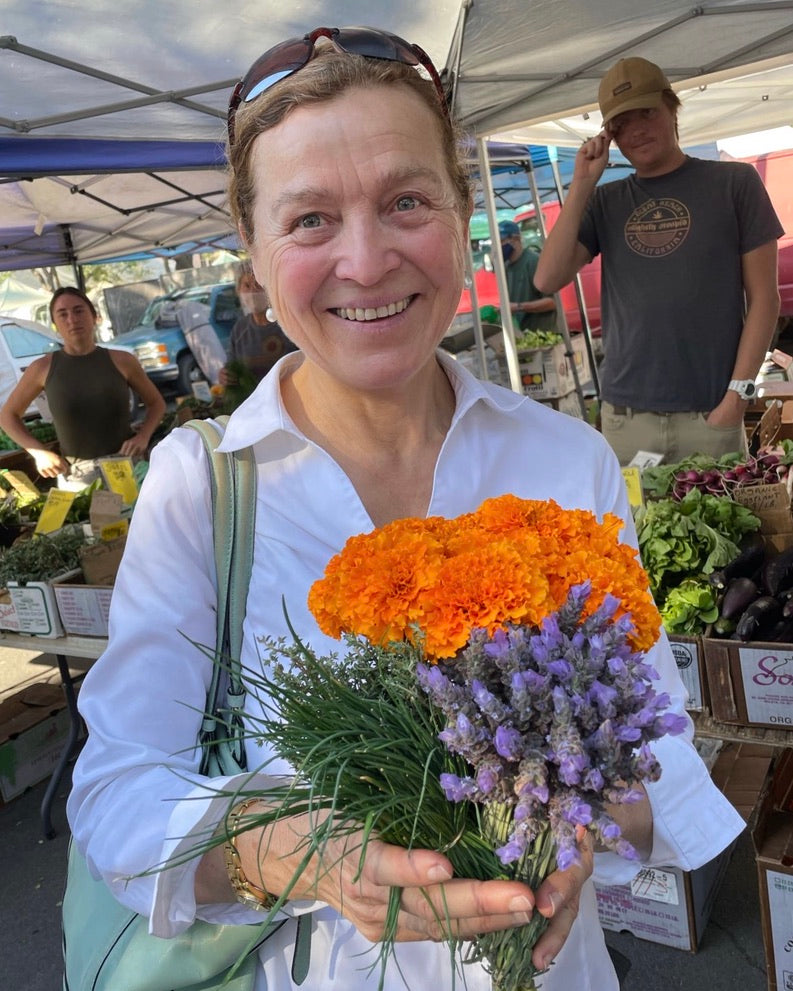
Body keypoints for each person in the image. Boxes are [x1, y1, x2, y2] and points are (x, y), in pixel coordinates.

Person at [67, 27, 744, 991]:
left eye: (406, 201)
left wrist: (577, 811)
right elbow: (116, 794)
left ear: (463, 212)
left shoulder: (564, 461)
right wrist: (293, 853)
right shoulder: (201, 486)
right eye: (308, 220)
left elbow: (654, 740)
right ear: (251, 257)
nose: (367, 258)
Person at [534, 56, 783, 465]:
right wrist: (581, 184)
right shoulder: (605, 200)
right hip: (627, 420)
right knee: (630, 530)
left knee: (720, 530)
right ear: (609, 135)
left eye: (646, 112)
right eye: (620, 123)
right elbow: (547, 278)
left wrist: (738, 397)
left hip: (711, 415)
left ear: (672, 107)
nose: (636, 130)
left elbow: (765, 300)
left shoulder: (734, 184)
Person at [0, 287, 165, 487]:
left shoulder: (123, 360)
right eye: (63, 314)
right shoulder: (41, 368)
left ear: (94, 316)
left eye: (79, 311)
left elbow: (156, 403)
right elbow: (7, 416)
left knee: (141, 519)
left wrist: (143, 436)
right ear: (54, 324)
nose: (72, 319)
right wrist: (38, 452)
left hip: (128, 467)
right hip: (78, 477)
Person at [219, 264, 297, 392]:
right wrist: (224, 376)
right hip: (254, 403)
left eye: (258, 285)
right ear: (238, 290)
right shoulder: (239, 329)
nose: (252, 292)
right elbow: (231, 367)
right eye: (247, 286)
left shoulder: (288, 322)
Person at [497, 219, 557, 333]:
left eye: (501, 241)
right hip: (523, 335)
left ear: (515, 239)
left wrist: (518, 307)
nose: (498, 246)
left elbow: (552, 303)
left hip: (542, 334)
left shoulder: (533, 262)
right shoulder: (506, 268)